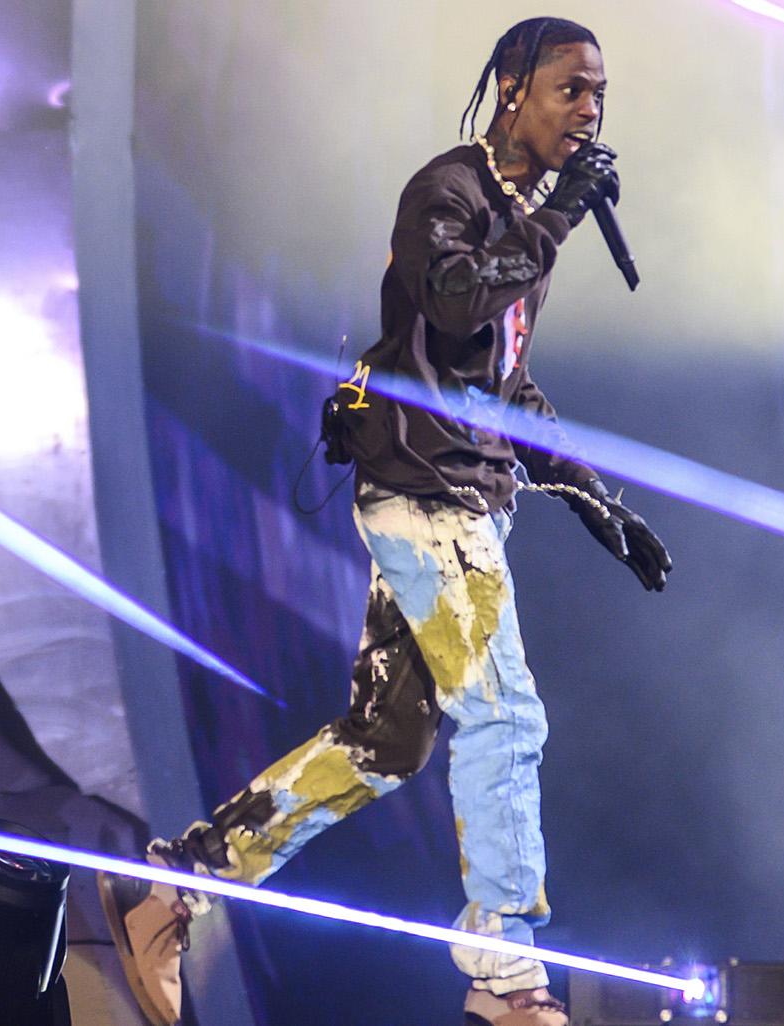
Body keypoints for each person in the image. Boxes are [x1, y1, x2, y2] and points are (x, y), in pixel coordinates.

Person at [100, 16, 671, 1026]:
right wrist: (553, 221)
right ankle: (507, 978)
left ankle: (176, 883)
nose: (591, 111)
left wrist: (597, 502)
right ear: (511, 89)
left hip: (462, 491)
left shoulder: (523, 221)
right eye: (571, 89)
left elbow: (501, 385)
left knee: (386, 742)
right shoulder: (447, 193)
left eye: (601, 94)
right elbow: (452, 304)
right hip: (426, 496)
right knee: (503, 713)